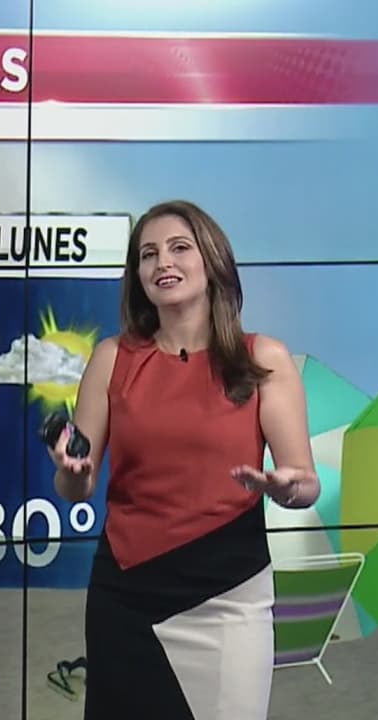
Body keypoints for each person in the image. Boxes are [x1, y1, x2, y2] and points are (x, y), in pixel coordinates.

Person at [46, 200, 320, 720]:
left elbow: (305, 483)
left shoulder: (263, 359)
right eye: (148, 254)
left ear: (211, 261)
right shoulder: (111, 359)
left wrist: (287, 486)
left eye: (178, 248)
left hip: (228, 592)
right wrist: (70, 472)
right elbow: (77, 488)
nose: (162, 263)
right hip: (125, 592)